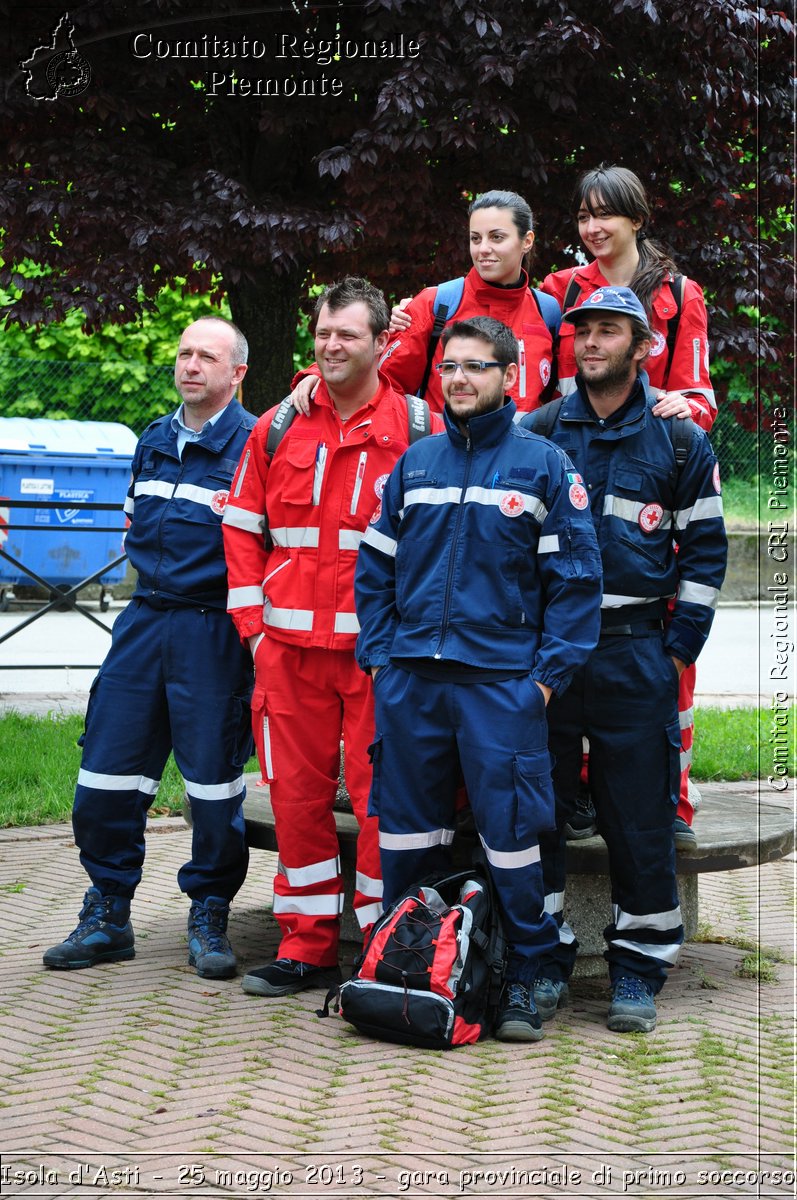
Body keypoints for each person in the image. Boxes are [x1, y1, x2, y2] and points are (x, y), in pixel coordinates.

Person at [354, 316, 603, 1042]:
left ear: (508, 376)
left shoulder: (543, 465)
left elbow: (577, 583)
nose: (458, 379)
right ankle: (402, 967)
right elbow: (374, 568)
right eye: (449, 367)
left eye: (475, 367)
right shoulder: (417, 462)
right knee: (404, 836)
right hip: (411, 685)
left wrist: (542, 685)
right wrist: (380, 656)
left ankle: (524, 975)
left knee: (513, 840)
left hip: (502, 688)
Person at [221, 276, 443, 998]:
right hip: (286, 658)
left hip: (380, 661)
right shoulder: (276, 427)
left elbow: (443, 543)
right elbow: (241, 531)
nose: (331, 345)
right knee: (295, 802)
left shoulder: (419, 428)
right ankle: (306, 945)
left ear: (383, 342)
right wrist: (254, 634)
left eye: (347, 333)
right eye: (322, 333)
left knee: (385, 803)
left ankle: (385, 947)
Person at [521, 287, 727, 1033]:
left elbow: (705, 556)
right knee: (534, 813)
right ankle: (541, 961)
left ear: (642, 347)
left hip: (635, 653)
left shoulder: (677, 442)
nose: (590, 343)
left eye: (609, 332)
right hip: (548, 659)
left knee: (639, 819)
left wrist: (675, 654)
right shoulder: (538, 433)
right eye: (583, 332)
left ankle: (636, 972)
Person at [44, 317, 257, 979]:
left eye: (207, 356)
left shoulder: (258, 445)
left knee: (214, 786)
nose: (191, 365)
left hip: (213, 630)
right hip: (143, 622)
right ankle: (108, 911)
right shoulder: (154, 440)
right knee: (105, 771)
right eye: (185, 352)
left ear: (236, 373)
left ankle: (210, 911)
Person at [542, 165, 718, 841]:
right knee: (573, 643)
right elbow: (497, 335)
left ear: (636, 219)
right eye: (582, 215)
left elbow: (697, 395)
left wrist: (680, 412)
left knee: (659, 643)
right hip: (572, 468)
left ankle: (669, 798)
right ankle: (580, 792)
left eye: (603, 214)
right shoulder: (562, 290)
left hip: (654, 475)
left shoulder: (677, 292)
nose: (590, 228)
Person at [291, 190, 558, 417]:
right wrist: (320, 374)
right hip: (444, 465)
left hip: (524, 470)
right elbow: (379, 378)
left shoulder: (548, 312)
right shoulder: (436, 304)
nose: (483, 248)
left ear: (527, 241)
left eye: (496, 237)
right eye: (475, 238)